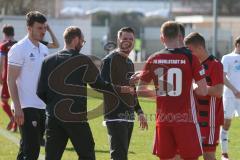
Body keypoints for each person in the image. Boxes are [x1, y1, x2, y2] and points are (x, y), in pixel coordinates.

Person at [36, 26, 133, 160]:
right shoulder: (83, 60)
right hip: (76, 117)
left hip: (53, 117)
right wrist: (120, 89)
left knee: (52, 156)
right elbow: (99, 85)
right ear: (75, 40)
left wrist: (53, 105)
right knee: (87, 154)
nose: (82, 44)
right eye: (82, 41)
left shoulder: (47, 61)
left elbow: (40, 91)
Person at [131, 21, 207, 160]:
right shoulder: (191, 58)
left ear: (162, 38)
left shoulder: (154, 59)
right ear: (179, 36)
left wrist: (161, 93)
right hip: (186, 120)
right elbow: (203, 91)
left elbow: (140, 90)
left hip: (164, 119)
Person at [100, 27, 148, 160]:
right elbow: (101, 86)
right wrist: (124, 85)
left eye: (131, 39)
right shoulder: (108, 60)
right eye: (125, 38)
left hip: (128, 115)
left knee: (122, 156)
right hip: (115, 115)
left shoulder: (129, 62)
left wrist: (139, 111)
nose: (128, 41)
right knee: (118, 156)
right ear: (118, 40)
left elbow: (132, 90)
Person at [7, 11, 48, 160]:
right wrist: (17, 107)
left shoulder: (44, 49)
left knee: (27, 149)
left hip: (42, 106)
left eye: (44, 28)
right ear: (29, 28)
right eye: (39, 28)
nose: (43, 31)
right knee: (32, 151)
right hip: (25, 107)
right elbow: (10, 79)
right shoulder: (18, 49)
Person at [184, 32, 224, 160]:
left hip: (210, 120)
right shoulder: (193, 64)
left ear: (200, 48)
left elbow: (218, 92)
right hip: (193, 118)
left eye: (191, 51)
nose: (189, 55)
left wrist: (198, 87)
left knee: (208, 154)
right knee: (191, 153)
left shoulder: (215, 64)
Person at [220, 36, 240, 160]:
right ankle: (224, 153)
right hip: (230, 96)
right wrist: (234, 90)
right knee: (226, 123)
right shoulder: (227, 58)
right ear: (237, 44)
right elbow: (222, 77)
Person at [0, 24, 17, 131]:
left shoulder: (3, 46)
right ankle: (15, 126)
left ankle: (12, 118)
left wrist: (0, 77)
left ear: (4, 34)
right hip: (18, 76)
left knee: (3, 101)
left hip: (7, 76)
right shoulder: (19, 44)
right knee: (16, 101)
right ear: (13, 33)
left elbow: (1, 63)